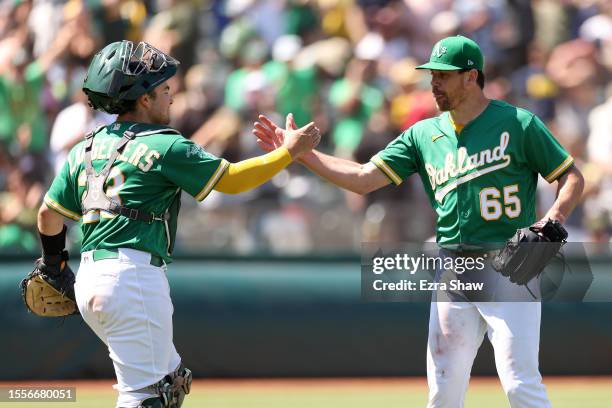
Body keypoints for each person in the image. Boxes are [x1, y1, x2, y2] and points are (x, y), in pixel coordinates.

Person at [254, 35, 584, 408]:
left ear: (471, 77)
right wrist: (302, 156)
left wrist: (552, 219)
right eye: (432, 74)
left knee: (519, 383)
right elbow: (363, 178)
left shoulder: (518, 123)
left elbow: (571, 176)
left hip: (509, 265)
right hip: (453, 268)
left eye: (443, 75)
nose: (434, 83)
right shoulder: (422, 135)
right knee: (443, 390)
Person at [36, 40, 319, 408]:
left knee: (167, 382)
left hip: (90, 277)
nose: (172, 96)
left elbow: (47, 215)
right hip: (131, 278)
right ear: (143, 99)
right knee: (150, 396)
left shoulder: (84, 148)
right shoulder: (167, 145)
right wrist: (288, 153)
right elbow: (231, 180)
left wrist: (54, 265)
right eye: (165, 89)